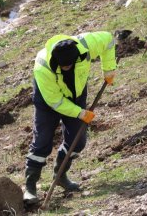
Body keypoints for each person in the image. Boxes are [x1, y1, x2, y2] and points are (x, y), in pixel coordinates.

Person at [23, 31, 117, 204]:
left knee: (78, 141)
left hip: (76, 94)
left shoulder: (86, 46)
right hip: (48, 101)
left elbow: (109, 40)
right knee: (42, 142)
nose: (67, 67)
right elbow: (55, 102)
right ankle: (30, 188)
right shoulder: (43, 65)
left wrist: (109, 68)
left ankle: (60, 175)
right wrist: (80, 113)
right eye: (63, 66)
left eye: (70, 64)